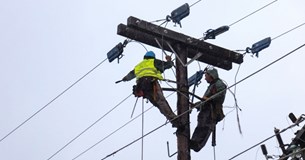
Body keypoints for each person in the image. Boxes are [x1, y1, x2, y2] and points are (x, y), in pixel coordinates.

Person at [121, 51, 180, 128]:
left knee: (158, 104)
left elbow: (131, 74)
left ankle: (174, 121)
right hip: (151, 83)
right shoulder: (154, 62)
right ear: (153, 57)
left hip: (142, 87)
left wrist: (125, 78)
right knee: (161, 102)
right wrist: (169, 60)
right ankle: (174, 120)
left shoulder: (139, 65)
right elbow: (168, 65)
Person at [190, 67, 227, 152]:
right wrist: (195, 105)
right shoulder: (211, 86)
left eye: (206, 75)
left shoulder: (219, 84)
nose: (205, 77)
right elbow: (205, 101)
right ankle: (194, 141)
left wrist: (210, 99)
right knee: (200, 126)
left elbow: (221, 94)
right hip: (206, 110)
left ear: (211, 76)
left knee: (206, 127)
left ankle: (198, 144)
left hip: (212, 110)